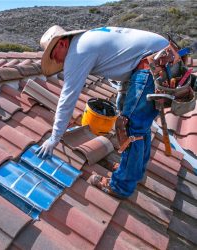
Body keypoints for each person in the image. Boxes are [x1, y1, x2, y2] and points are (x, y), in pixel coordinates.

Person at [36, 25, 170, 199]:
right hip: (161, 59)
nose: (59, 62)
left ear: (61, 44)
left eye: (55, 56)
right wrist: (123, 92)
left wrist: (54, 138)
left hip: (152, 64)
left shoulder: (77, 51)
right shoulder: (87, 41)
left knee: (130, 128)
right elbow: (122, 59)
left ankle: (121, 186)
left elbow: (67, 98)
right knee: (140, 127)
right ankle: (133, 172)